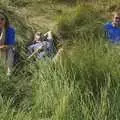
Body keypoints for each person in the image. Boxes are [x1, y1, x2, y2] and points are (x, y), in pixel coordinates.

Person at [0, 11, 16, 76]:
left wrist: (3, 29)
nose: (0, 20)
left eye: (2, 19)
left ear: (6, 20)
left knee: (8, 51)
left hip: (8, 49)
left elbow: (11, 44)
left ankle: (8, 73)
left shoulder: (10, 30)